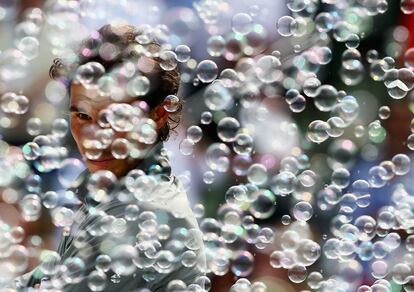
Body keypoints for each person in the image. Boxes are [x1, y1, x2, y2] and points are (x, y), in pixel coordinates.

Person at [16, 23, 206, 291]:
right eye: (82, 116)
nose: (93, 137)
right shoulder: (113, 197)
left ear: (158, 115)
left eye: (112, 118)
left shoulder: (141, 215)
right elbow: (41, 279)